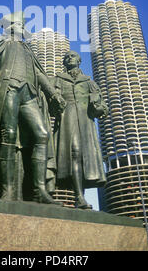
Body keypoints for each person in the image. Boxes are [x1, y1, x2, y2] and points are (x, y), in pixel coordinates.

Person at [0, 11, 66, 204]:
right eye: (20, 25)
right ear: (11, 26)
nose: (23, 29)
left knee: (42, 134)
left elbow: (39, 73)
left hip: (29, 94)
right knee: (8, 135)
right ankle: (8, 190)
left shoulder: (28, 50)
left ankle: (39, 190)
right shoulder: (1, 42)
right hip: (8, 88)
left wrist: (53, 94)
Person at [52, 50, 108, 209]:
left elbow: (103, 107)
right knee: (74, 152)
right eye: (67, 57)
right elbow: (51, 101)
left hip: (85, 122)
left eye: (73, 56)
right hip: (67, 120)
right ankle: (78, 196)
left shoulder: (89, 82)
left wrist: (98, 108)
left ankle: (80, 197)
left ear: (79, 60)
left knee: (84, 156)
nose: (70, 58)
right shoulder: (58, 80)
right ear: (64, 62)